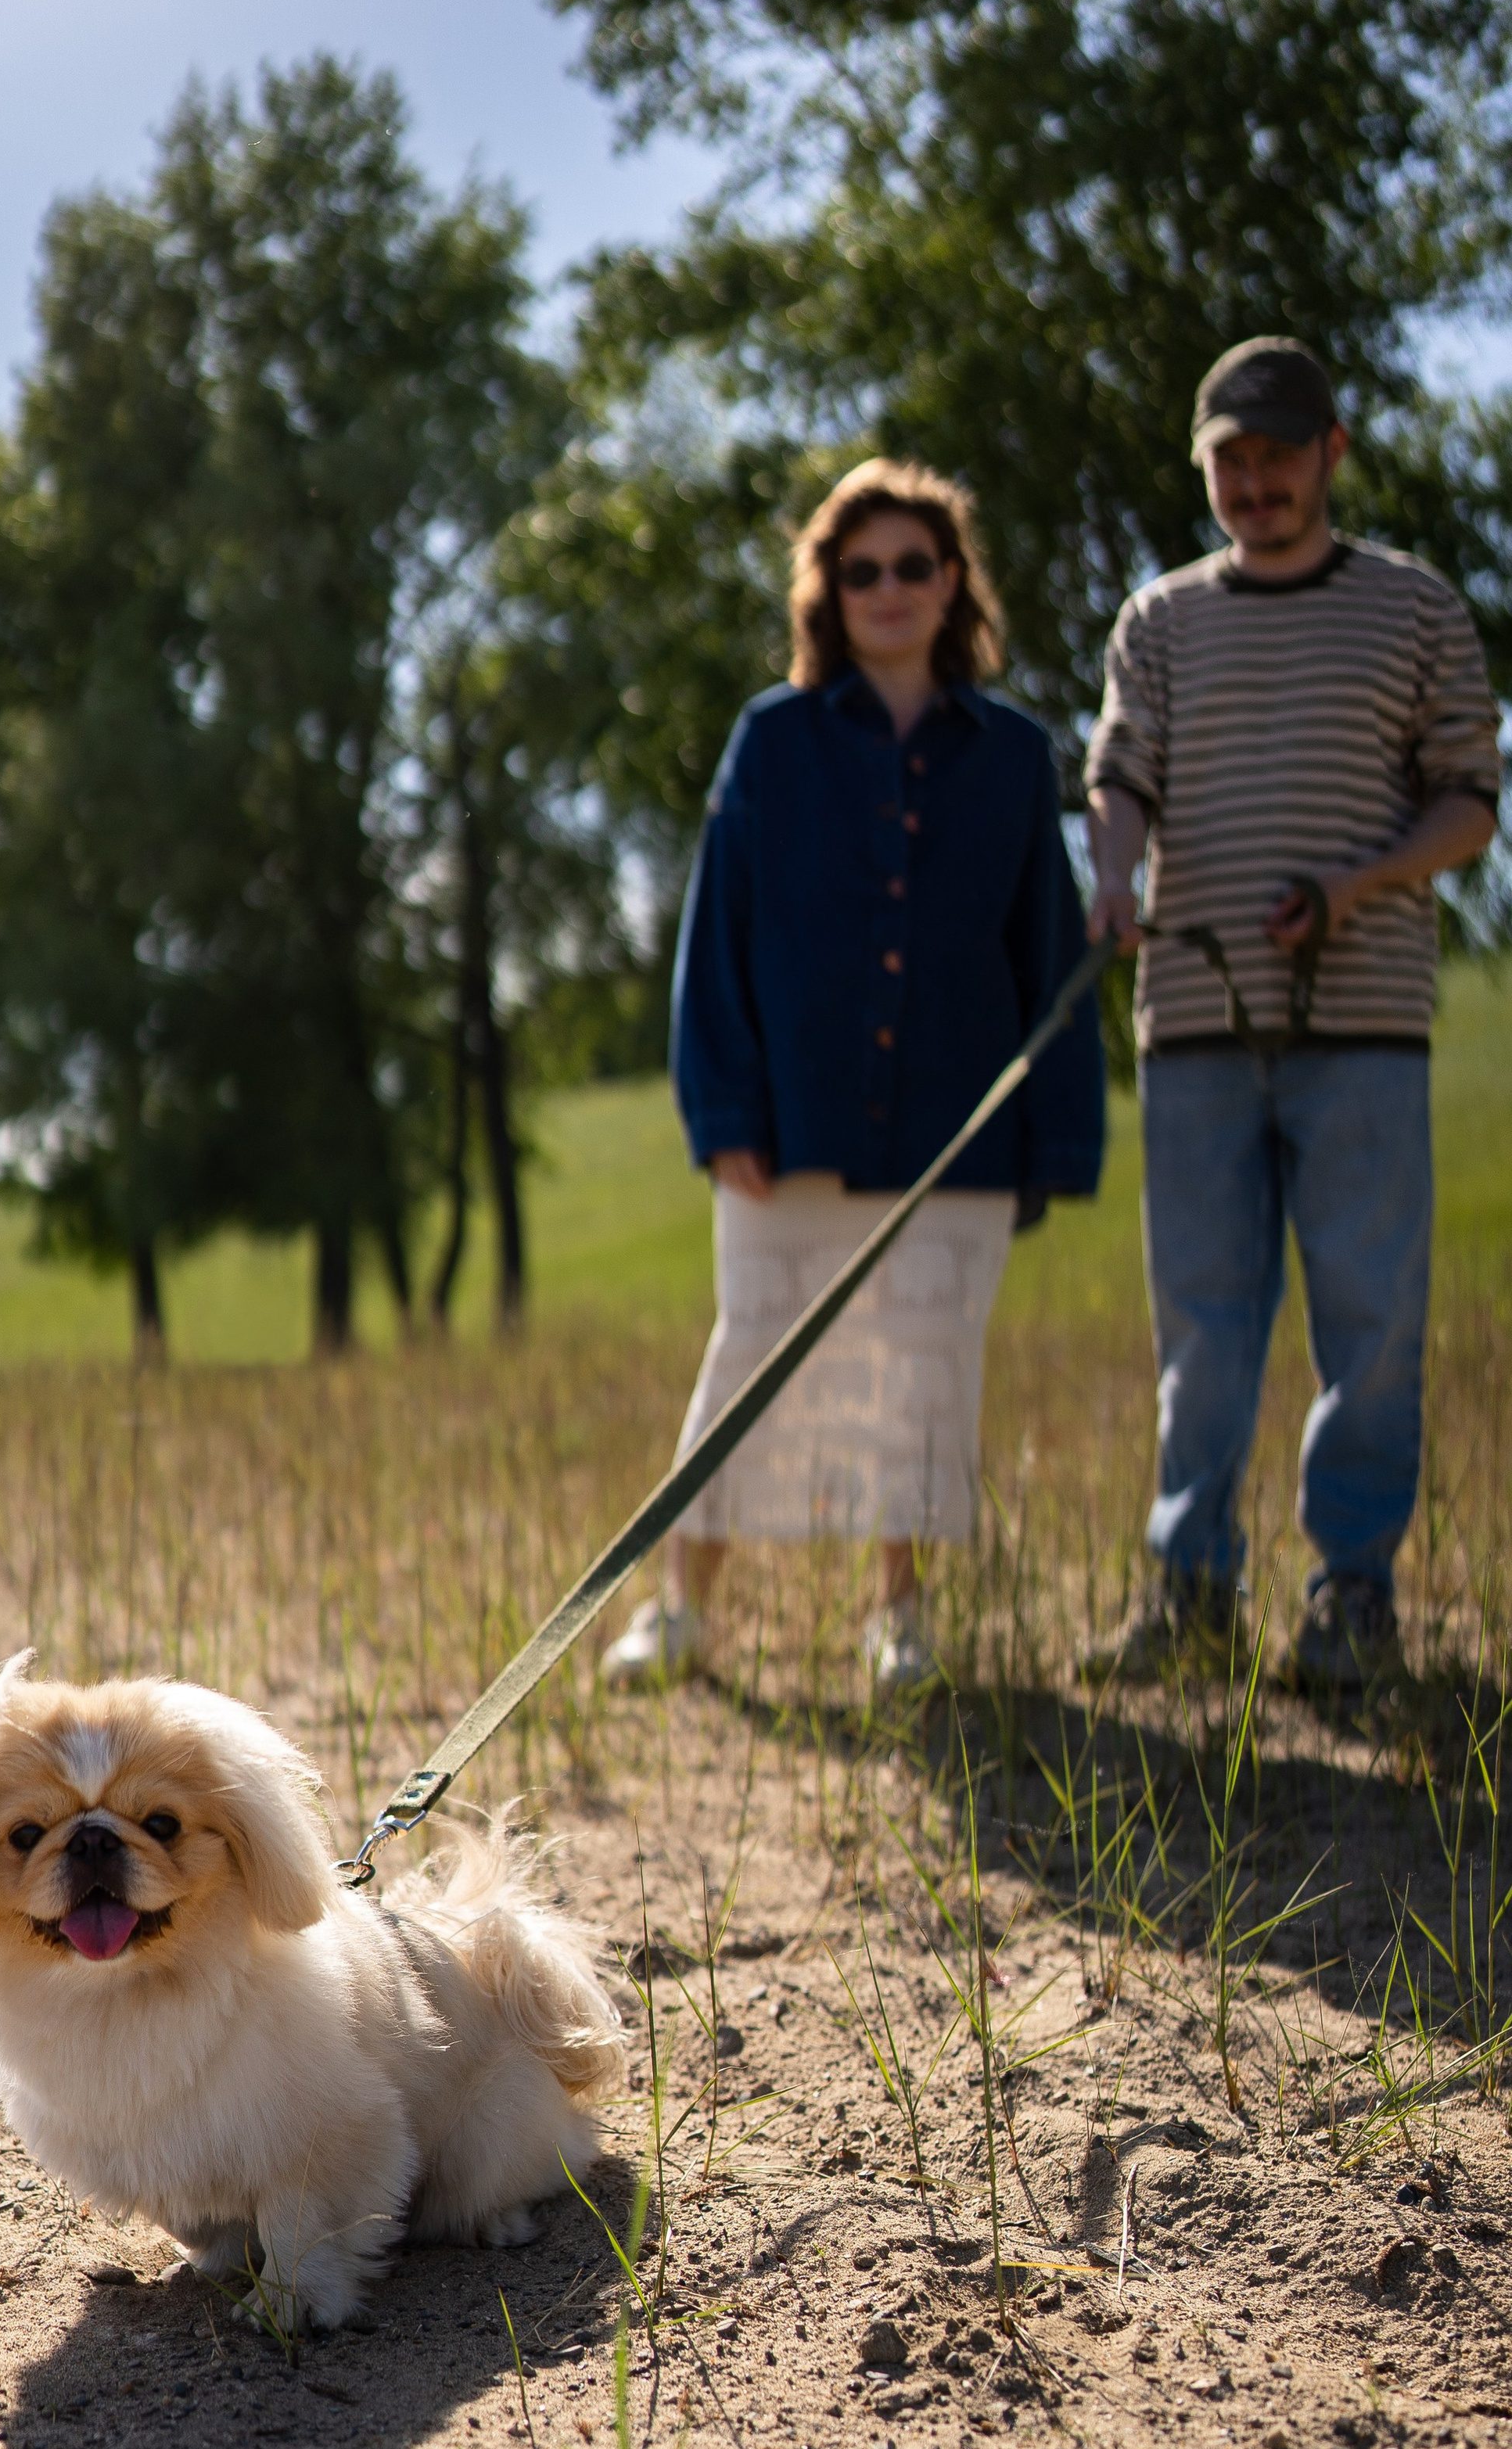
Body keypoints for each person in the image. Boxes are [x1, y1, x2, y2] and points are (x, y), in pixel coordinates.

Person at [602, 458, 1105, 1692]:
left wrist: (1051, 1144)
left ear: (952, 585)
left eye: (913, 567)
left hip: (956, 1137)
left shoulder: (1015, 756)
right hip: (789, 1130)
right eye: (860, 568)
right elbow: (713, 937)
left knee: (927, 1374)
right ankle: (680, 1611)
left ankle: (901, 1620)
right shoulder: (771, 742)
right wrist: (724, 1107)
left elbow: (1052, 954)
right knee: (750, 1362)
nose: (888, 589)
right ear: (828, 590)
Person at [1080, 337, 1501, 1696]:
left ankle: (1352, 1598)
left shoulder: (1417, 608)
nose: (1254, 480)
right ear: (1204, 467)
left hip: (1365, 1024)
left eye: (1277, 453)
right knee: (1202, 1331)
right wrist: (1112, 875)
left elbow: (1471, 805)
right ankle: (1190, 1593)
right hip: (1195, 1020)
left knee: (1372, 1324)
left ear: (1332, 451)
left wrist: (1357, 881)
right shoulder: (1158, 619)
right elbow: (1121, 772)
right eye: (1229, 459)